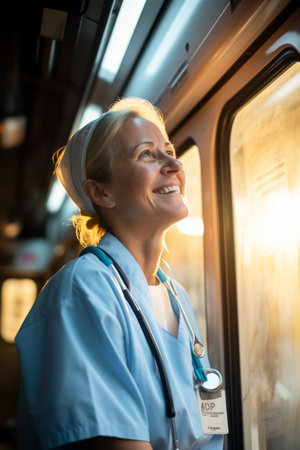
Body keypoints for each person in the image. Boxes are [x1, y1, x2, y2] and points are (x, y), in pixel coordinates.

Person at [15, 97, 224, 449]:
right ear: (101, 192)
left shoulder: (177, 297)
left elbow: (209, 429)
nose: (174, 164)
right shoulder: (82, 292)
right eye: (146, 154)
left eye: (169, 150)